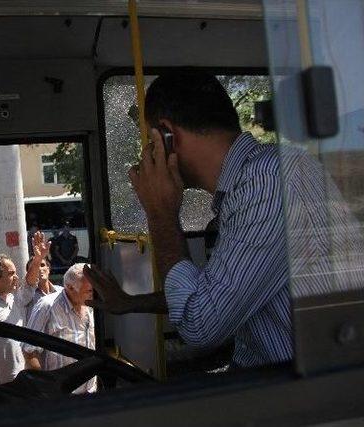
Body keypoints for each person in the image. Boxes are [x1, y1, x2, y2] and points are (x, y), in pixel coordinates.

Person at [84, 68, 364, 369]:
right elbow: (217, 290)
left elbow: (200, 326)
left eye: (151, 142)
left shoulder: (267, 183)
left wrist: (160, 213)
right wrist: (131, 304)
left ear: (168, 136)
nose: (149, 154)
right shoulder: (248, 185)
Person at [0, 232, 49, 384]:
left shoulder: (16, 298)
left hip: (22, 382)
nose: (16, 277)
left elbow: (30, 283)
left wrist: (38, 259)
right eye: (11, 274)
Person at [22, 263, 96, 393]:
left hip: (91, 391)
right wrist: (47, 388)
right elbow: (29, 351)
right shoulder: (47, 306)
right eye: (89, 291)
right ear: (70, 287)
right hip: (62, 396)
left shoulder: (92, 306)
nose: (93, 294)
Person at [24, 254, 63, 321]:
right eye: (35, 267)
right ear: (29, 273)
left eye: (42, 265)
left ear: (48, 269)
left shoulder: (61, 291)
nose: (39, 269)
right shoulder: (27, 296)